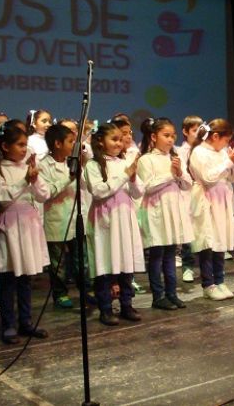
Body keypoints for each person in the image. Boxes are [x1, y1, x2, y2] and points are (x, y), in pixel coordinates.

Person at [0, 126, 51, 344]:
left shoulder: (28, 167)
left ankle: (26, 321)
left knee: (26, 278)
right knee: (9, 277)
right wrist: (25, 180)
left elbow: (43, 195)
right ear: (5, 146)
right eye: (20, 145)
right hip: (10, 226)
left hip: (28, 224)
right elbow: (3, 198)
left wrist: (35, 178)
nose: (24, 149)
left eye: (25, 145)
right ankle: (8, 325)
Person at [84, 123, 145, 325]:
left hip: (124, 218)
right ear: (101, 141)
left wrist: (133, 178)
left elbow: (138, 192)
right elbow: (99, 191)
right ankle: (106, 308)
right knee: (104, 263)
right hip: (105, 220)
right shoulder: (93, 165)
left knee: (126, 263)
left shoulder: (124, 163)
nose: (119, 143)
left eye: (121, 139)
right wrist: (125, 175)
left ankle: (127, 304)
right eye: (114, 139)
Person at [137, 117, 194, 310]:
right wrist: (171, 174)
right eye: (166, 135)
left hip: (172, 210)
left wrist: (179, 173)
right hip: (156, 211)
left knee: (170, 254)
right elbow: (147, 186)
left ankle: (172, 293)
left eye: (173, 136)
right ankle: (158, 296)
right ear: (154, 137)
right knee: (157, 255)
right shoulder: (146, 160)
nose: (170, 139)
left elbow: (187, 184)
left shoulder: (175, 158)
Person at [187, 119, 234, 301]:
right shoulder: (199, 152)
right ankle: (208, 284)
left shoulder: (223, 152)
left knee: (221, 241)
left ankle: (220, 281)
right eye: (226, 140)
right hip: (206, 200)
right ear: (216, 136)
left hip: (222, 200)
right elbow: (208, 178)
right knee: (208, 243)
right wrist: (228, 162)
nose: (227, 144)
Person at [38, 124, 79, 309]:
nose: (73, 145)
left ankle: (85, 290)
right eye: (70, 141)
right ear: (57, 143)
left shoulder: (73, 162)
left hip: (74, 217)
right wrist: (69, 178)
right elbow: (47, 192)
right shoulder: (43, 165)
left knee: (80, 260)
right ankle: (60, 293)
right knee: (58, 263)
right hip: (55, 219)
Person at [176, 115, 203, 282]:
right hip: (187, 194)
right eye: (194, 130)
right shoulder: (180, 151)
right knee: (188, 232)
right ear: (185, 132)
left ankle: (205, 267)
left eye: (200, 130)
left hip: (202, 194)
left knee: (203, 231)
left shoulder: (204, 149)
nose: (198, 133)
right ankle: (188, 267)